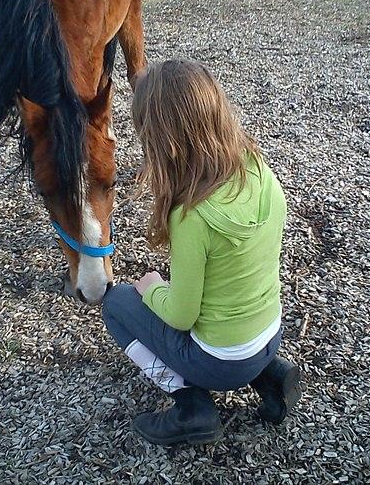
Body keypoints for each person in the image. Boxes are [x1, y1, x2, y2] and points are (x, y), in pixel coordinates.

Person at [102, 59, 301, 446]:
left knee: (117, 304)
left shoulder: (191, 214)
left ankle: (191, 405)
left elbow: (180, 316)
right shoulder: (256, 166)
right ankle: (270, 375)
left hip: (220, 364)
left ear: (160, 140)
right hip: (270, 336)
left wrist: (153, 289)